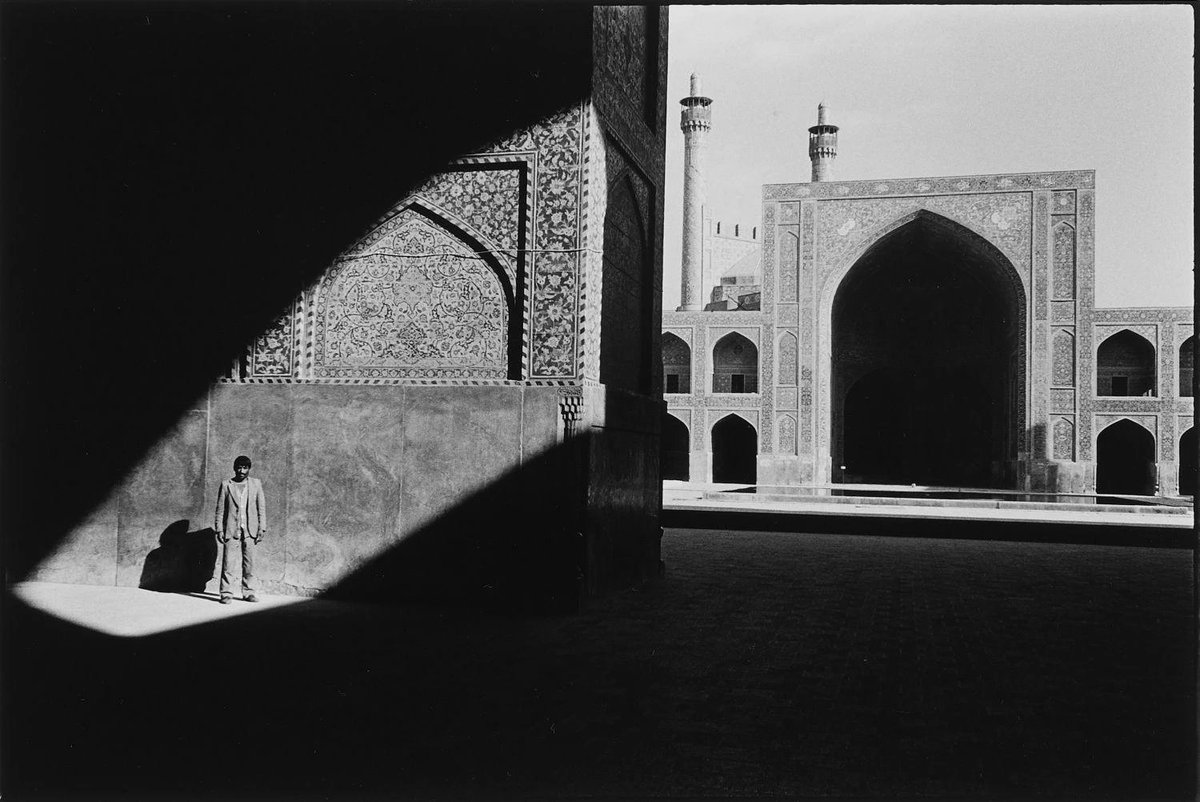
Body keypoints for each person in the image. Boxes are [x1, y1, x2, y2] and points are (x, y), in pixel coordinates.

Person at [213, 455, 266, 604]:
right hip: (231, 529)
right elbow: (220, 510)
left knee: (250, 564)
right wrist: (219, 529)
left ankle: (248, 592)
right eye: (239, 467)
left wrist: (262, 527)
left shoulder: (256, 484)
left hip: (250, 530)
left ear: (249, 469)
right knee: (228, 563)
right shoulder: (226, 485)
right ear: (234, 468)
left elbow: (261, 507)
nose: (241, 470)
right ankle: (226, 593)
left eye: (245, 467)